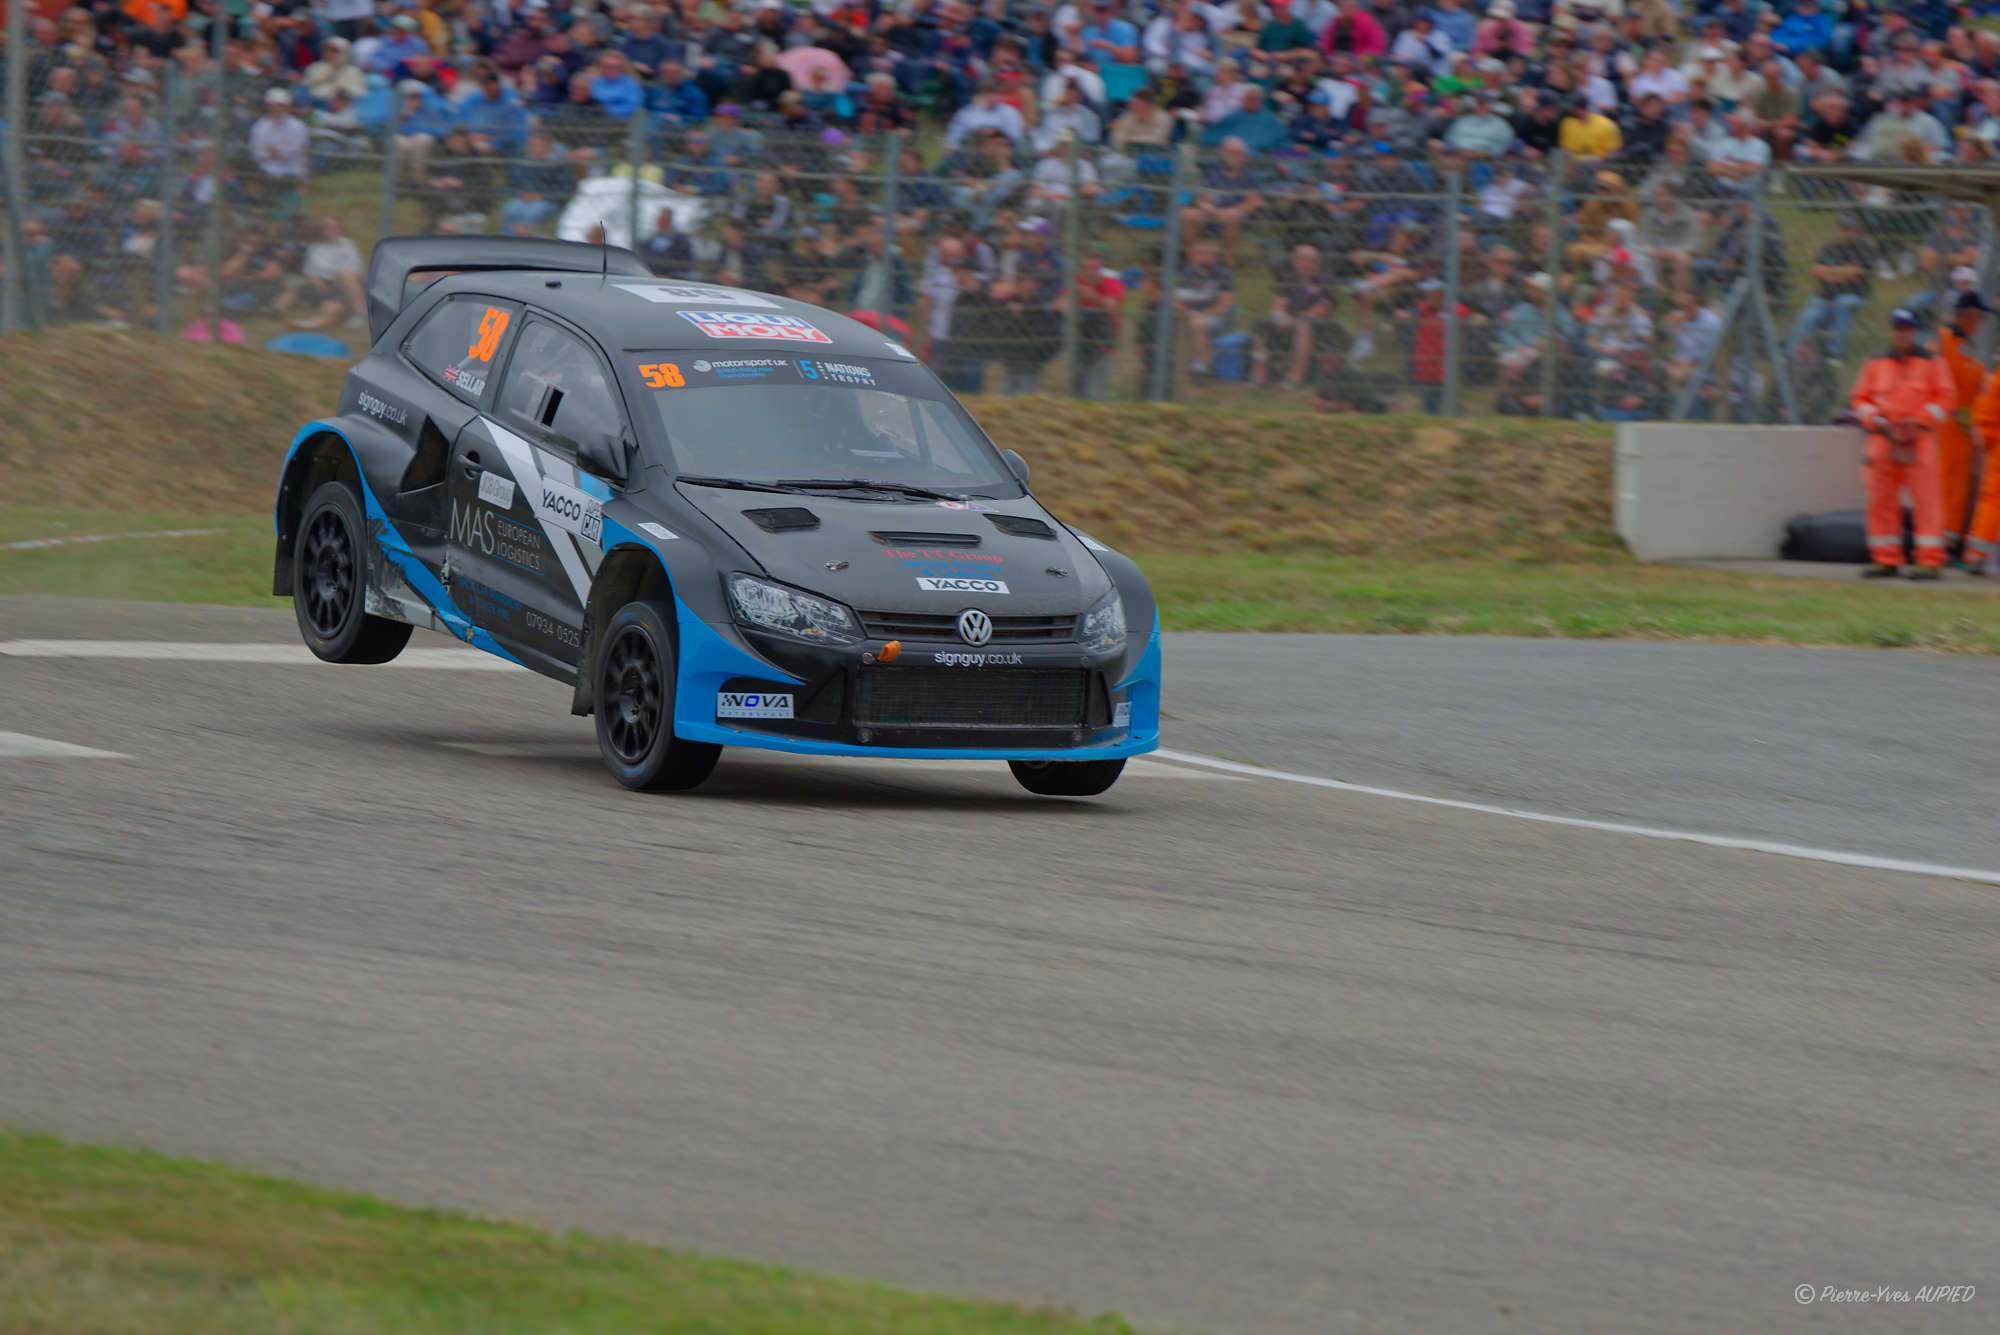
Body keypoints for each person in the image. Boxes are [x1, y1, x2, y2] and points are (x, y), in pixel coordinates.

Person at [1849, 308, 1955, 579]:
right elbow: (1859, 399)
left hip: (1919, 441)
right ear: (1891, 331)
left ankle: (1930, 562)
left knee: (1927, 502)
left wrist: (1918, 422)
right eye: (1897, 328)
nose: (1902, 333)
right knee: (1881, 501)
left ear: (1916, 331)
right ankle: (1886, 559)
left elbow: (1946, 399)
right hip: (1882, 440)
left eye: (1907, 328)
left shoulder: (1933, 362)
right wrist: (1877, 420)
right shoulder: (1875, 363)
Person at [1935, 291, 1991, 555]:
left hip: (1964, 429)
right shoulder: (1943, 339)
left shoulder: (1964, 345)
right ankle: (1944, 545)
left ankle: (1951, 542)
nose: (1980, 324)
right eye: (1979, 318)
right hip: (1948, 425)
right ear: (1968, 316)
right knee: (1949, 485)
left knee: (1961, 488)